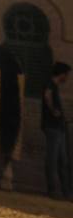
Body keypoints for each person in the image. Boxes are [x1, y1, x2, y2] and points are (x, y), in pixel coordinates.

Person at [41, 61, 72, 199]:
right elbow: (47, 96)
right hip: (53, 127)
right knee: (53, 160)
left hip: (58, 128)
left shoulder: (54, 86)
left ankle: (66, 192)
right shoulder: (50, 84)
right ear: (62, 74)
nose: (67, 78)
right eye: (66, 75)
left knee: (62, 161)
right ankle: (53, 190)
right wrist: (54, 111)